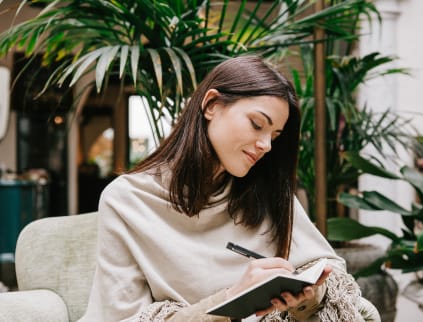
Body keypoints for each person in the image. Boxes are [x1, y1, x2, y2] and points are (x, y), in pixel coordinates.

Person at [79, 55, 379, 322]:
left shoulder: (269, 190)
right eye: (257, 124)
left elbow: (327, 279)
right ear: (211, 105)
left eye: (275, 134)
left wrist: (307, 300)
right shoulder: (127, 200)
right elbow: (124, 316)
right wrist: (231, 298)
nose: (266, 145)